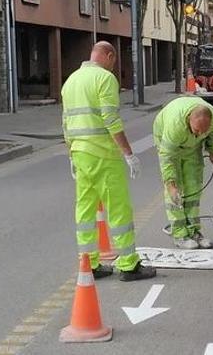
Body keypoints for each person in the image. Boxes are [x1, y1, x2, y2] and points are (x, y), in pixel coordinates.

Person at [61, 41, 156, 281]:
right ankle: (128, 265)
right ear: (109, 56)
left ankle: (89, 263)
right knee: (118, 208)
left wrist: (71, 152)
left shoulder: (71, 81)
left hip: (81, 154)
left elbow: (66, 122)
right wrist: (128, 153)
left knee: (85, 209)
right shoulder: (104, 79)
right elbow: (110, 119)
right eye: (114, 62)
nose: (113, 67)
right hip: (104, 153)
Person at [153, 97, 213, 249]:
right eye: (196, 130)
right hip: (169, 146)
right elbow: (167, 157)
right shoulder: (175, 127)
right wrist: (170, 184)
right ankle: (179, 234)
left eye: (203, 132)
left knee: (193, 187)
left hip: (192, 148)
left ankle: (194, 231)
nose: (199, 134)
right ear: (189, 119)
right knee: (176, 191)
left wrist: (212, 150)